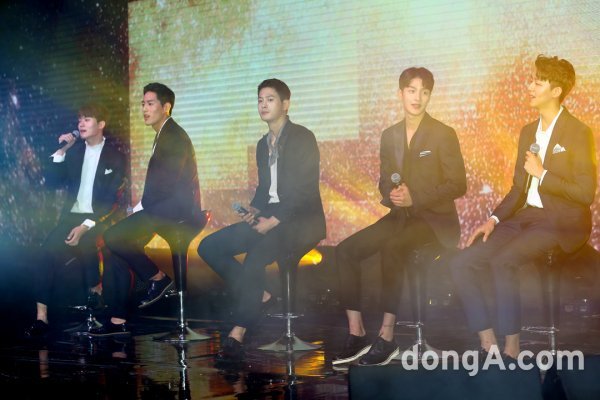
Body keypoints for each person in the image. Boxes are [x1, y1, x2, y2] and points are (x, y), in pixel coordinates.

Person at [449, 55, 597, 359]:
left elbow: (585, 193)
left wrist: (543, 174)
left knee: (504, 261)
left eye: (537, 82)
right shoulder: (528, 132)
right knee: (462, 263)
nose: (529, 87)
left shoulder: (578, 132)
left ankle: (512, 348)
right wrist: (493, 219)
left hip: (561, 221)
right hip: (526, 216)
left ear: (556, 91)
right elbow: (519, 188)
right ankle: (488, 343)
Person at [333, 67, 467, 366]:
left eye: (424, 92)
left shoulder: (443, 133)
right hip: (400, 217)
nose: (417, 97)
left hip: (435, 221)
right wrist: (391, 194)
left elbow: (458, 184)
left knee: (393, 248)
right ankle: (357, 333)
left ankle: (387, 336)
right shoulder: (389, 135)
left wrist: (415, 197)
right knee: (345, 251)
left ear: (430, 96)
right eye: (411, 90)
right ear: (400, 93)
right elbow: (384, 180)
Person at [198, 78, 326, 362]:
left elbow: (305, 191)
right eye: (260, 100)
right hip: (271, 217)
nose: (263, 105)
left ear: (285, 104)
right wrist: (254, 210)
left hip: (301, 222)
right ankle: (261, 295)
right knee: (209, 247)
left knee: (255, 258)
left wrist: (274, 220)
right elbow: (265, 190)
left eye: (270, 99)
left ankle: (238, 333)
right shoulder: (261, 144)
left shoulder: (303, 137)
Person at [91, 82, 202, 337]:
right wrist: (140, 207)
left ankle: (158, 278)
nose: (144, 109)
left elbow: (167, 183)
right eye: (142, 104)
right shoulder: (163, 133)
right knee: (116, 247)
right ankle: (118, 319)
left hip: (176, 211)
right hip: (163, 208)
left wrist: (140, 207)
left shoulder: (174, 136)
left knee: (113, 236)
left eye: (150, 103)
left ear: (166, 107)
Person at [24, 103, 127, 338]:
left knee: (89, 246)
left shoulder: (115, 156)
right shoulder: (75, 152)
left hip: (99, 218)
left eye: (87, 119)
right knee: (45, 254)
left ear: (101, 124)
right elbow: (52, 183)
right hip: (72, 216)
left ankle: (96, 299)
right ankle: (41, 318)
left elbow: (111, 200)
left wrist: (86, 226)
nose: (81, 123)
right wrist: (62, 151)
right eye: (80, 119)